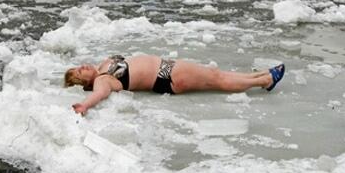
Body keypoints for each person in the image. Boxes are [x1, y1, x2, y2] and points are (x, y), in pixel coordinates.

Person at [64, 55, 285, 116]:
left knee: (215, 75)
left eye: (78, 67)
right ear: (86, 83)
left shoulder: (104, 66)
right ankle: (266, 80)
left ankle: (262, 76)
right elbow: (99, 95)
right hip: (166, 75)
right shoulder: (102, 81)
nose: (81, 67)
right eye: (79, 73)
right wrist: (85, 105)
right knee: (218, 80)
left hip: (166, 70)